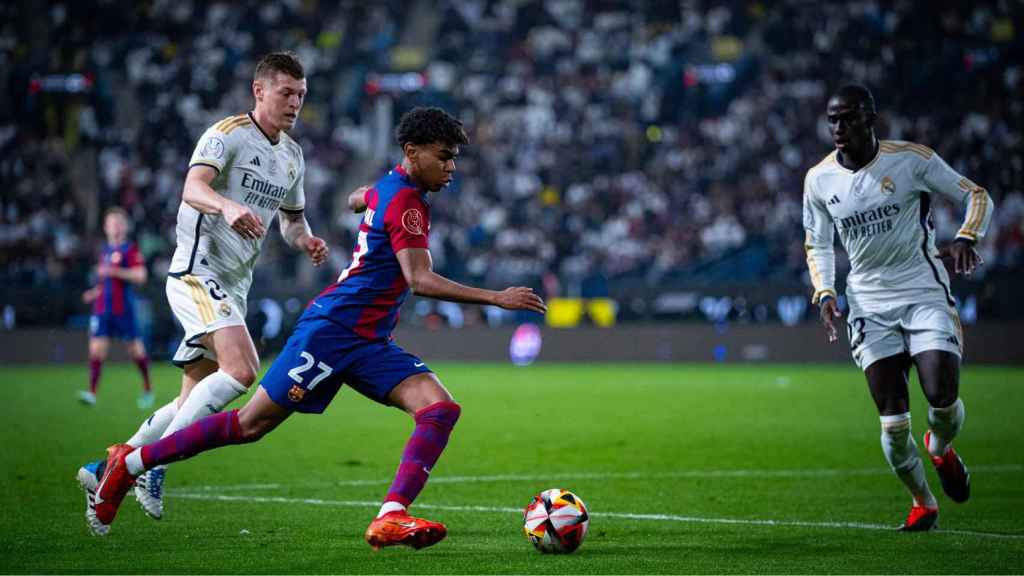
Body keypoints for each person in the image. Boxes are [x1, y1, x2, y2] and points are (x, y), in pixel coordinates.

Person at [86, 107, 547, 549]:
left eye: (454, 159)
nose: (451, 168)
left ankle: (390, 516)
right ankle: (129, 463)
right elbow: (418, 280)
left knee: (440, 409)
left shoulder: (392, 187)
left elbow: (358, 197)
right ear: (412, 152)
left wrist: (361, 200)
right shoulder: (407, 202)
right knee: (250, 425)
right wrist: (497, 298)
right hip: (330, 332)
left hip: (368, 340)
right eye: (443, 156)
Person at [77, 51, 328, 529]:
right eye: (286, 93)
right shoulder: (227, 134)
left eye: (301, 95)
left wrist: (306, 241)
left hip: (236, 284)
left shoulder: (292, 156)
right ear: (260, 91)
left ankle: (105, 467)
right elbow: (192, 187)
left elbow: (292, 222)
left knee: (188, 401)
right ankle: (151, 465)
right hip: (198, 271)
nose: (295, 102)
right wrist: (226, 207)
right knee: (243, 369)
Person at [803, 85, 993, 531]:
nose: (838, 128)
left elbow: (977, 194)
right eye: (832, 120)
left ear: (871, 119)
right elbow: (817, 242)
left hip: (923, 292)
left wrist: (967, 236)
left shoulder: (911, 160)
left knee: (941, 397)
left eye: (847, 118)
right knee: (893, 423)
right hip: (869, 305)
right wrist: (825, 293)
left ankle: (941, 448)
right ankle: (923, 501)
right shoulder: (819, 179)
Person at [78, 207, 153, 409]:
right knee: (96, 350)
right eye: (112, 223)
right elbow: (105, 281)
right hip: (102, 308)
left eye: (119, 223)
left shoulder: (130, 249)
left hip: (123, 309)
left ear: (125, 226)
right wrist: (94, 292)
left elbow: (140, 275)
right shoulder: (104, 250)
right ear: (105, 227)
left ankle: (147, 388)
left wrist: (114, 271)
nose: (115, 227)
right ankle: (92, 393)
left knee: (135, 350)